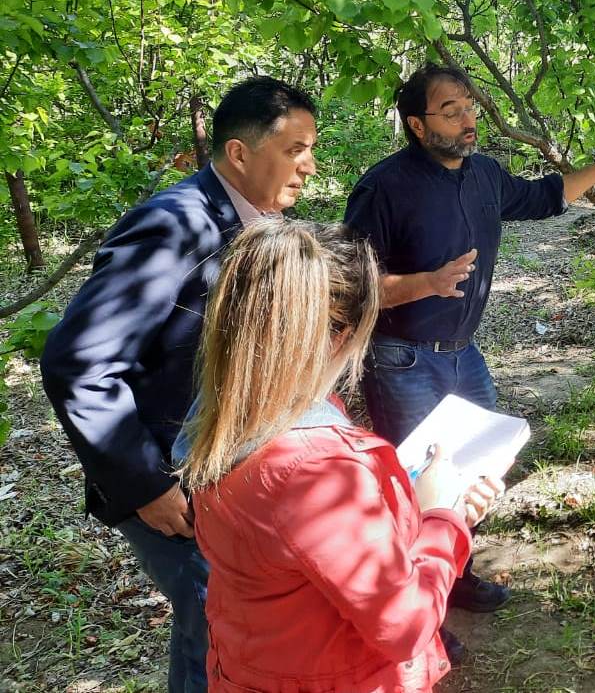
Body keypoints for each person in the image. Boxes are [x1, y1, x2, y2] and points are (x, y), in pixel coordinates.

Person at [343, 63, 595, 655]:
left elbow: (546, 197)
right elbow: (352, 282)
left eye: (471, 107)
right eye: (451, 110)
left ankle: (453, 578)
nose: (469, 119)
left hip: (464, 355)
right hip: (401, 358)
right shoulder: (385, 186)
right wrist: (423, 284)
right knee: (411, 486)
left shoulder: (484, 175)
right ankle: (413, 621)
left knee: (474, 470)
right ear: (417, 125)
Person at [39, 77, 318, 692]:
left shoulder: (253, 220)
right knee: (219, 628)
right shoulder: (174, 225)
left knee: (218, 624)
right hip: (175, 484)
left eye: (310, 149)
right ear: (240, 154)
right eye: (294, 149)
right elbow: (77, 362)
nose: (309, 167)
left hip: (225, 470)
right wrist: (146, 484)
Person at [174, 221, 504, 692]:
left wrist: (403, 503)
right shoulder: (315, 469)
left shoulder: (226, 412)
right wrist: (441, 516)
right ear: (338, 334)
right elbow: (405, 623)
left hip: (259, 662)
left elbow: (301, 548)